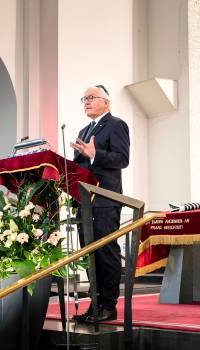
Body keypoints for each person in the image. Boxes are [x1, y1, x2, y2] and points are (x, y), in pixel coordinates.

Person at [70, 85, 130, 322]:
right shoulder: (84, 130)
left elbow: (122, 159)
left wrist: (95, 154)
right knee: (89, 254)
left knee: (106, 251)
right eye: (83, 98)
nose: (86, 102)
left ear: (106, 102)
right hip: (84, 200)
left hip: (106, 199)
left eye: (91, 97)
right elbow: (81, 166)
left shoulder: (116, 125)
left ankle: (108, 305)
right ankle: (95, 304)